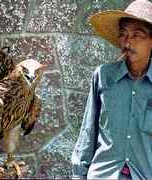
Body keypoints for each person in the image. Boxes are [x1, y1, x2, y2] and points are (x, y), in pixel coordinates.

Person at [71, 0, 152, 179]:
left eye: (137, 35)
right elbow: (87, 134)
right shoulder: (103, 76)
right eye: (123, 34)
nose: (127, 42)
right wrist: (78, 175)